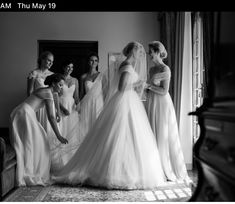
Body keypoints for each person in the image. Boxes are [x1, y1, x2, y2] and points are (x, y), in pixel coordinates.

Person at [52, 42, 165, 190]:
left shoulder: (128, 64)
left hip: (129, 102)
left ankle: (126, 170)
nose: (140, 55)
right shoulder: (127, 65)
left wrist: (139, 85)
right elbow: (122, 87)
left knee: (130, 135)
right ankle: (114, 172)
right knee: (118, 134)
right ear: (132, 52)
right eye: (139, 52)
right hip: (124, 101)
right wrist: (139, 84)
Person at [10, 73, 68, 187]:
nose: (61, 88)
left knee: (37, 141)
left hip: (23, 111)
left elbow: (54, 97)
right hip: (25, 113)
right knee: (32, 142)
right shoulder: (47, 93)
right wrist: (59, 135)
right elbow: (50, 117)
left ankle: (33, 170)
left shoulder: (46, 90)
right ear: (53, 84)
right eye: (60, 85)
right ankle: (31, 172)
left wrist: (57, 111)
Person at [145, 41, 189, 182]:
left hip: (162, 103)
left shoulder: (165, 69)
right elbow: (148, 86)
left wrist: (149, 87)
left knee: (162, 134)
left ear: (158, 52)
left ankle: (166, 168)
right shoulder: (152, 70)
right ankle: (154, 168)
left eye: (150, 51)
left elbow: (164, 91)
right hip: (152, 101)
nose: (148, 53)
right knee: (152, 132)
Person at [49, 60, 82, 173]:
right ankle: (59, 161)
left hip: (72, 108)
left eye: (72, 67)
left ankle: (71, 161)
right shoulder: (58, 78)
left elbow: (76, 97)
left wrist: (79, 107)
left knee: (72, 134)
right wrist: (62, 109)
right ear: (64, 67)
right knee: (61, 130)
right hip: (60, 106)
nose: (70, 69)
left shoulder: (75, 80)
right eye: (68, 67)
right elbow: (55, 95)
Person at [79, 52, 108, 137]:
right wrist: (79, 105)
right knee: (86, 125)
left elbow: (105, 92)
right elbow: (81, 93)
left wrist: (106, 106)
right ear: (88, 62)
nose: (93, 62)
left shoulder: (102, 76)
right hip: (87, 103)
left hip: (99, 102)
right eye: (91, 60)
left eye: (96, 60)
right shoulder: (83, 77)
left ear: (98, 62)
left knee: (97, 125)